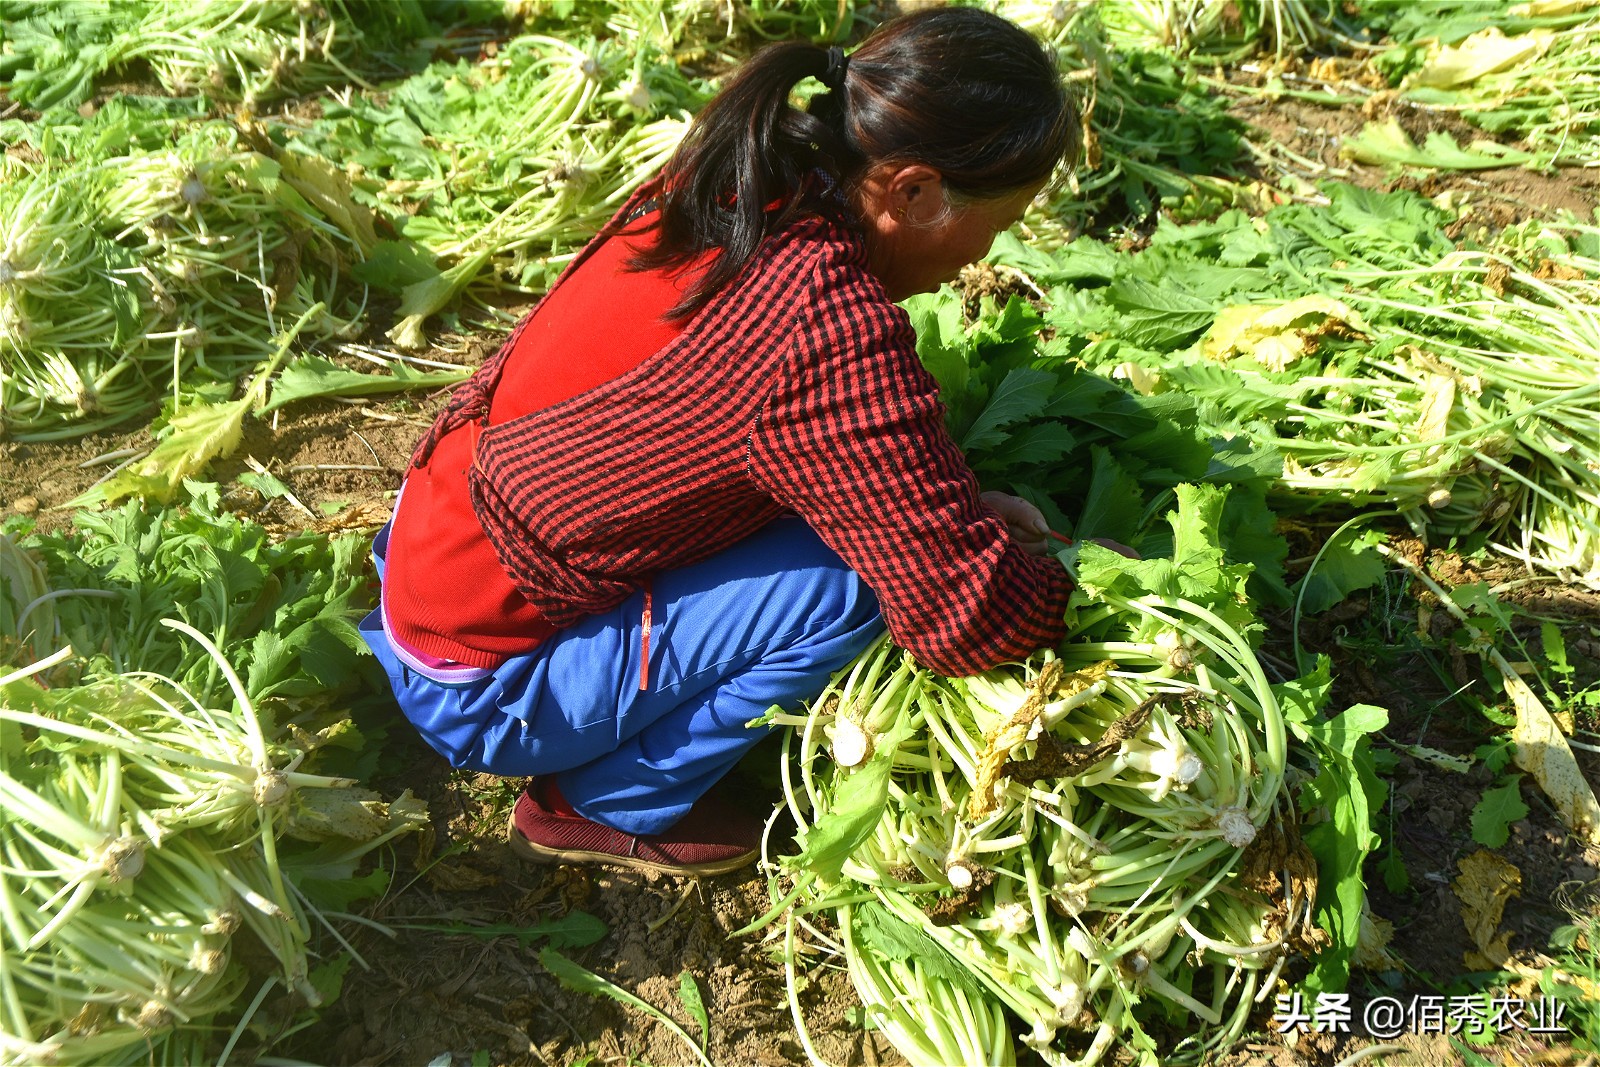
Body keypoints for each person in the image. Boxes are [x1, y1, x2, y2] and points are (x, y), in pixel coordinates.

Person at [358, 6, 1082, 877]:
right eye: (996, 227)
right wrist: (1069, 574)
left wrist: (952, 506)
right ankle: (603, 800)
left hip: (432, 548)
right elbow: (960, 616)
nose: (983, 257)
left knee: (858, 527)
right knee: (852, 587)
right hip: (478, 679)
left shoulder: (742, 173)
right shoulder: (824, 328)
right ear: (914, 191)